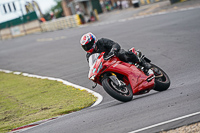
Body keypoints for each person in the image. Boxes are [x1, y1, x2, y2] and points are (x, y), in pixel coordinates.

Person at [80, 32, 151, 73]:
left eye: (88, 45)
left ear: (93, 41)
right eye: (85, 46)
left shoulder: (102, 41)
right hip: (106, 65)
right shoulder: (89, 56)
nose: (88, 47)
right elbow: (93, 66)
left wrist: (113, 51)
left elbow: (115, 44)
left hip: (115, 57)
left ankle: (142, 62)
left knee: (122, 53)